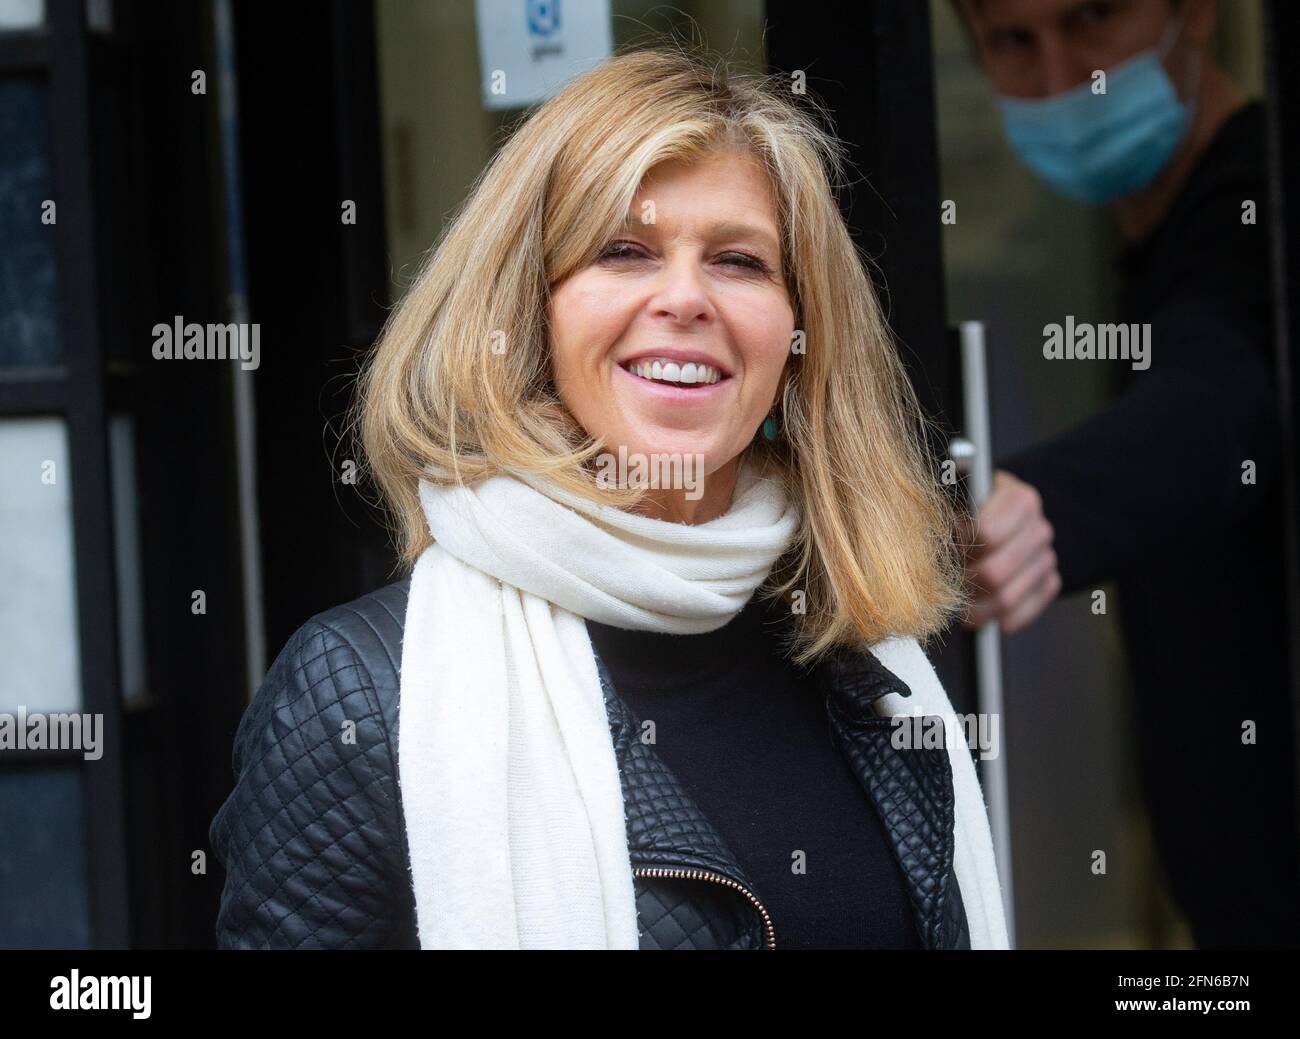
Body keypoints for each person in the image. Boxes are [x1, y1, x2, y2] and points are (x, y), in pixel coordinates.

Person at [207, 43, 1010, 950]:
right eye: (623, 250)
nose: (685, 297)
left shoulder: (870, 662)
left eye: (739, 261)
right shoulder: (357, 692)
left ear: (799, 335)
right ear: (528, 317)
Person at [952, 0, 1299, 946]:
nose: (1066, 78)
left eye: (1092, 18)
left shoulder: (1258, 202)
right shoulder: (1158, 240)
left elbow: (1229, 390)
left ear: (1196, 11)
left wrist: (1045, 505)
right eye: (1014, 43)